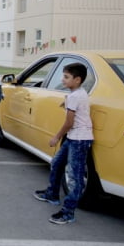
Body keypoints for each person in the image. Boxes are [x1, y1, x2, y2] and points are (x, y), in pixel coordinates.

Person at [33, 63, 94, 225]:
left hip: (79, 139)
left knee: (75, 177)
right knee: (57, 162)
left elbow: (69, 122)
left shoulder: (75, 96)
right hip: (74, 137)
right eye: (63, 76)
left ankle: (68, 212)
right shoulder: (78, 93)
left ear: (78, 79)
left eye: (66, 77)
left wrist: (56, 137)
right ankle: (52, 194)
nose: (62, 79)